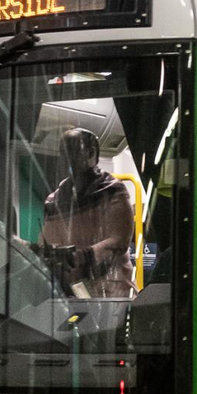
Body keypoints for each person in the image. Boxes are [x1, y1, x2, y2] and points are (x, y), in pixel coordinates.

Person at [38, 128, 136, 298]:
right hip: (74, 292)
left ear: (91, 153)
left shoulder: (113, 191)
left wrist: (80, 257)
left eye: (72, 150)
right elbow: (47, 241)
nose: (65, 158)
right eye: (63, 152)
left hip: (113, 292)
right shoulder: (54, 200)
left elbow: (119, 241)